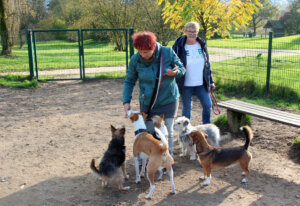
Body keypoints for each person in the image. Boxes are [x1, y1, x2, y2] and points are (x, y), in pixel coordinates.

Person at [123, 31, 185, 156]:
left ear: (153, 47)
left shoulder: (167, 52)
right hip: (148, 102)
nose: (142, 54)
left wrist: (175, 72)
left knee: (166, 130)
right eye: (140, 51)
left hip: (169, 99)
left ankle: (168, 156)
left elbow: (182, 68)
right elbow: (129, 81)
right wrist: (126, 101)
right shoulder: (135, 60)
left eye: (145, 52)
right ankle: (152, 157)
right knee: (150, 131)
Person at [172, 21, 215, 124]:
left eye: (194, 31)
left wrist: (211, 81)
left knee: (208, 105)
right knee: (187, 108)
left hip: (201, 83)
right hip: (185, 83)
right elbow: (172, 61)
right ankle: (186, 132)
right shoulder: (179, 45)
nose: (192, 34)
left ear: (198, 32)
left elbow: (207, 64)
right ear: (185, 31)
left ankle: (206, 127)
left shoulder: (201, 45)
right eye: (190, 31)